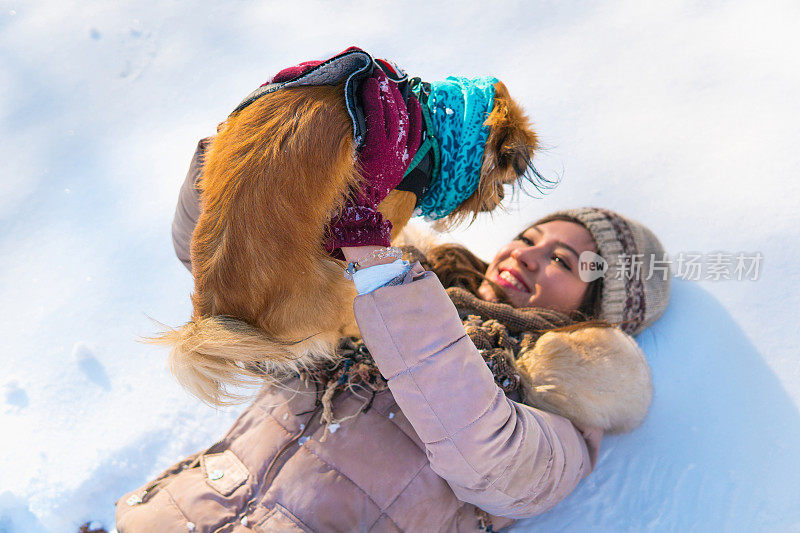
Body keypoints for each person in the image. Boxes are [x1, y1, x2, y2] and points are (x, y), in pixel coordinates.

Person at [116, 74, 670, 532]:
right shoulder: (386, 266)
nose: (529, 256)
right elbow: (227, 280)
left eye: (564, 263)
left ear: (599, 306)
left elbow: (487, 454)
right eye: (529, 238)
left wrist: (383, 275)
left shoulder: (568, 402)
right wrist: (253, 157)